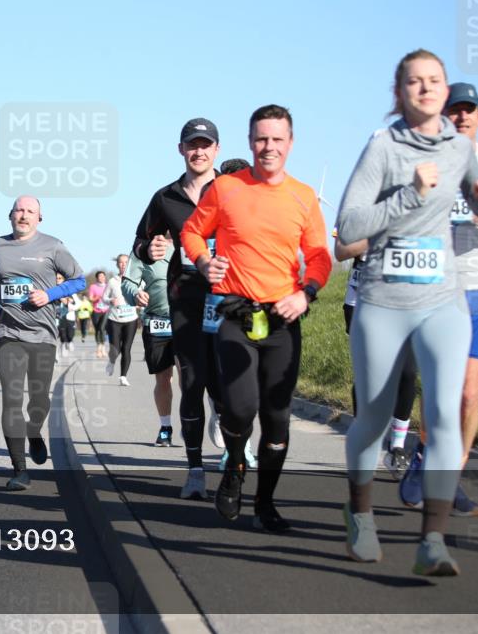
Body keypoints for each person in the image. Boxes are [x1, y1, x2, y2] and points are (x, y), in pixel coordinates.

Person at [335, 50, 478, 576]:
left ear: (445, 89)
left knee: (446, 414)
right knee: (375, 417)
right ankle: (360, 514)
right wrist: (409, 194)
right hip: (384, 300)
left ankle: (433, 539)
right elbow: (349, 225)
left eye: (435, 81)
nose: (427, 89)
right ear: (399, 91)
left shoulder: (460, 147)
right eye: (415, 81)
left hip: (442, 300)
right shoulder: (382, 147)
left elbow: (475, 205)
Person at [182, 105, 331, 533]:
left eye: (277, 139)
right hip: (236, 314)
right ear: (250, 143)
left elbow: (319, 255)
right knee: (240, 408)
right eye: (261, 139)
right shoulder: (226, 187)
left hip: (284, 316)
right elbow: (192, 231)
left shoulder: (302, 196)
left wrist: (307, 293)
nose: (269, 147)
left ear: (290, 143)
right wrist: (203, 260)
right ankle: (233, 469)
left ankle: (265, 503)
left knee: (278, 417)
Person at [399, 81, 478, 516]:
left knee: (469, 395)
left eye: (469, 110)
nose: (462, 117)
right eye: (455, 111)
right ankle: (424, 455)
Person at [132, 117, 240, 501]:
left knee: (228, 385)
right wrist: (152, 249)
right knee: (192, 382)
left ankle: (232, 456)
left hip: (230, 297)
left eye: (205, 145)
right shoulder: (166, 197)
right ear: (181, 150)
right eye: (191, 145)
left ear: (217, 150)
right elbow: (140, 241)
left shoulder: (232, 188)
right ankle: (195, 469)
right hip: (187, 298)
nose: (199, 151)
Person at [0, 196, 85, 490]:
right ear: (10, 215)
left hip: (43, 336)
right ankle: (19, 469)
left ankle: (34, 431)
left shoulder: (53, 246)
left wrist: (49, 295)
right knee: (11, 399)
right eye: (19, 210)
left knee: (39, 400)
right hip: (8, 336)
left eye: (29, 211)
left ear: (40, 218)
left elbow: (79, 280)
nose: (23, 215)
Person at [333, 229, 416, 480]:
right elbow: (341, 247)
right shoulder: (363, 203)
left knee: (408, 373)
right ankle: (365, 442)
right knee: (370, 372)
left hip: (405, 299)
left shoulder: (414, 203)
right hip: (363, 300)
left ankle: (397, 448)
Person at [120, 243, 179, 454]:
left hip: (187, 321)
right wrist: (135, 293)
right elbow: (127, 283)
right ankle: (165, 427)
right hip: (157, 322)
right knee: (163, 378)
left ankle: (192, 424)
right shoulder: (146, 246)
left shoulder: (194, 240)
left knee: (189, 379)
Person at [103, 253, 139, 386]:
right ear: (117, 264)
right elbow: (104, 298)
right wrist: (111, 300)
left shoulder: (136, 280)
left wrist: (139, 301)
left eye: (125, 262)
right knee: (115, 348)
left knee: (126, 348)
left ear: (129, 264)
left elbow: (142, 294)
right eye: (121, 262)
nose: (123, 265)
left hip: (131, 319)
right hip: (115, 319)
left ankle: (123, 376)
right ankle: (112, 361)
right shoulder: (112, 281)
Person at [55, 273, 81, 357]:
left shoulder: (71, 291)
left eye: (60, 278)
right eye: (57, 278)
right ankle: (62, 347)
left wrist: (70, 306)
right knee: (62, 333)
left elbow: (78, 304)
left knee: (70, 333)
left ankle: (70, 341)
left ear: (63, 280)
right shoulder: (53, 290)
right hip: (59, 317)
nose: (58, 280)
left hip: (70, 316)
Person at [88, 271, 109, 357]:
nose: (101, 278)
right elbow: (90, 299)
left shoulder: (108, 286)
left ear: (105, 277)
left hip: (106, 310)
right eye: (99, 276)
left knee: (102, 328)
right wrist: (97, 298)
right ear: (97, 278)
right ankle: (98, 347)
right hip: (96, 311)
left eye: (103, 276)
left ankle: (102, 348)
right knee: (97, 330)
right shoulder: (93, 287)